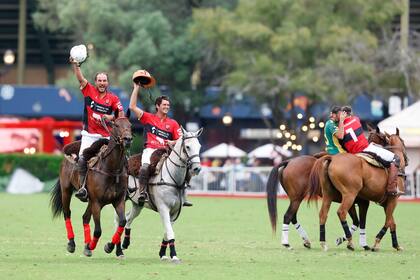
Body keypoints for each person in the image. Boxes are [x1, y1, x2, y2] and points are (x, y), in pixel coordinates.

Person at [129, 79, 193, 206]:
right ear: (157, 106)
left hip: (166, 151)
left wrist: (172, 142)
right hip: (150, 150)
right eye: (164, 105)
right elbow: (132, 107)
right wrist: (136, 88)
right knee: (145, 168)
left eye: (168, 105)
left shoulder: (173, 123)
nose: (166, 107)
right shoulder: (148, 118)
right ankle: (142, 192)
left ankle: (183, 195)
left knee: (185, 165)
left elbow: (180, 139)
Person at [69, 57, 124, 202]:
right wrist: (76, 65)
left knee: (122, 157)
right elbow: (80, 79)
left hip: (107, 136)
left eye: (104, 80)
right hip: (89, 135)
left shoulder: (113, 98)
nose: (102, 83)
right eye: (99, 80)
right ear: (95, 82)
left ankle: (126, 186)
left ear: (108, 83)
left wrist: (110, 117)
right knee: (82, 160)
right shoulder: (89, 91)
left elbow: (121, 115)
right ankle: (82, 188)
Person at [337, 106, 403, 196]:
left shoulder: (339, 129)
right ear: (350, 114)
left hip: (353, 154)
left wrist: (341, 121)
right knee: (396, 159)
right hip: (366, 148)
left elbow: (340, 136)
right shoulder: (356, 119)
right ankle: (391, 188)